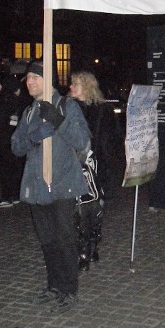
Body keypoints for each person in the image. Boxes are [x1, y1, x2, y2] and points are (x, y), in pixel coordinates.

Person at [11, 60, 91, 313]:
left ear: (47, 80)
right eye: (28, 78)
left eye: (34, 77)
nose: (29, 82)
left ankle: (69, 290)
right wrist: (34, 136)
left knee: (65, 239)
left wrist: (59, 121)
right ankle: (54, 285)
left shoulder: (67, 107)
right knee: (47, 240)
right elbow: (16, 146)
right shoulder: (30, 112)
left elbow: (82, 142)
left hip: (62, 184)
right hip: (37, 187)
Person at [68, 71, 117, 270]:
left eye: (75, 84)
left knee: (94, 210)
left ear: (87, 86)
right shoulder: (68, 108)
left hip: (96, 168)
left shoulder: (103, 111)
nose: (71, 87)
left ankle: (92, 246)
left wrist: (101, 163)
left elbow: (112, 140)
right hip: (73, 168)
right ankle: (82, 251)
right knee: (77, 211)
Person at [0, 74, 24, 208]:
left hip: (3, 139)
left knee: (4, 168)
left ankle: (6, 197)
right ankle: (14, 195)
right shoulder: (14, 99)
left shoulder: (3, 100)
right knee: (13, 167)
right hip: (11, 139)